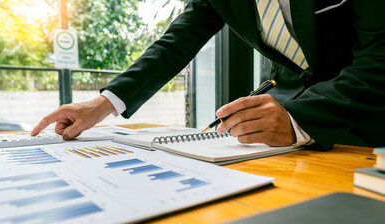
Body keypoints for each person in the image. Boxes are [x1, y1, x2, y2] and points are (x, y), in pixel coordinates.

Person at [31, 0, 385, 151]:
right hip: (287, 137)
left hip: (371, 121)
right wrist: (103, 103)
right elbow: (175, 42)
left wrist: (298, 119)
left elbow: (380, 57)